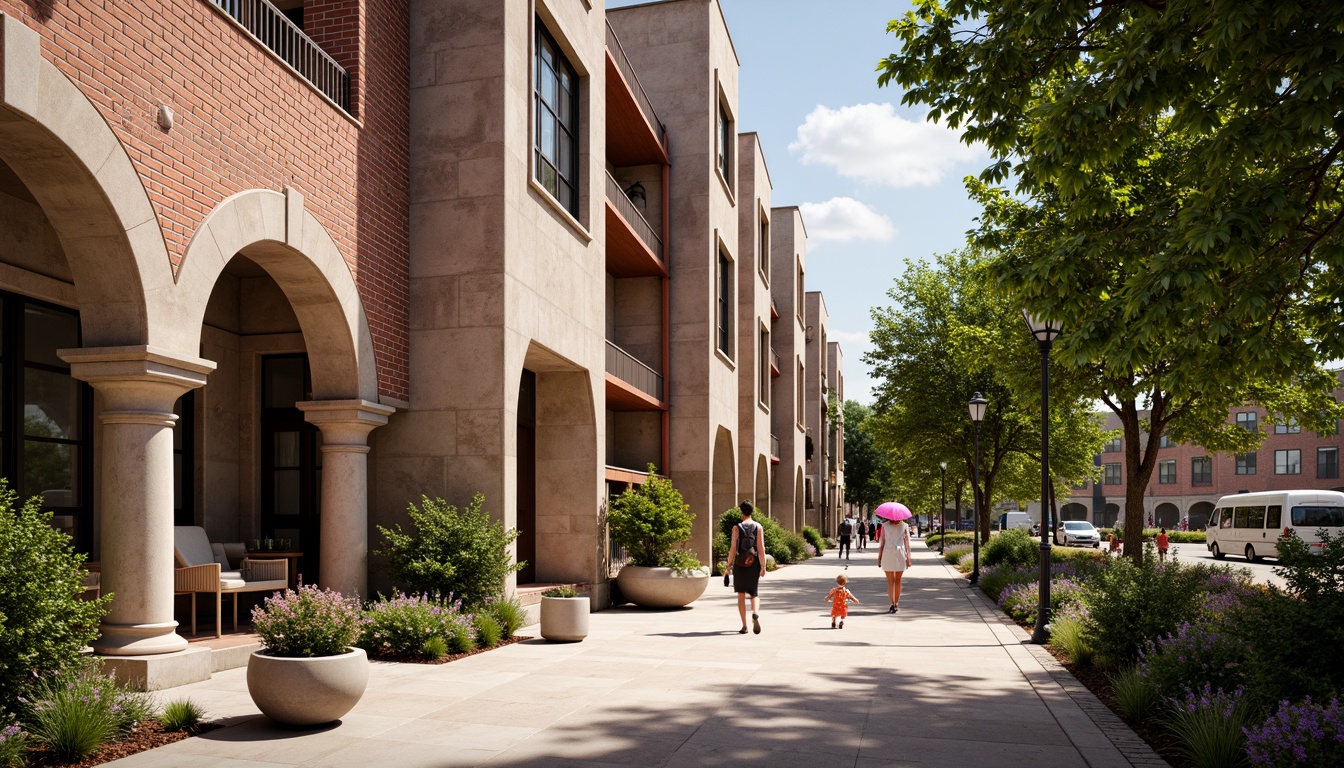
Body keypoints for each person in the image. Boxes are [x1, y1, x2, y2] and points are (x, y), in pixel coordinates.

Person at [728, 500, 766, 634]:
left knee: (741, 594)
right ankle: (755, 613)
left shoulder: (736, 527)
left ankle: (744, 626)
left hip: (739, 563)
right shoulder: (758, 526)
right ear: (752, 511)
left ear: (741, 512)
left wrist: (728, 565)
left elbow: (733, 548)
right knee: (754, 593)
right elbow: (761, 548)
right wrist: (763, 565)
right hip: (753, 562)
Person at [876, 513, 912, 613]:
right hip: (900, 553)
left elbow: (882, 543)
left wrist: (879, 557)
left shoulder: (884, 526)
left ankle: (892, 603)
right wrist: (908, 558)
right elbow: (907, 543)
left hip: (887, 553)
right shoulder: (904, 526)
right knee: (898, 581)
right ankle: (896, 603)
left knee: (890, 581)